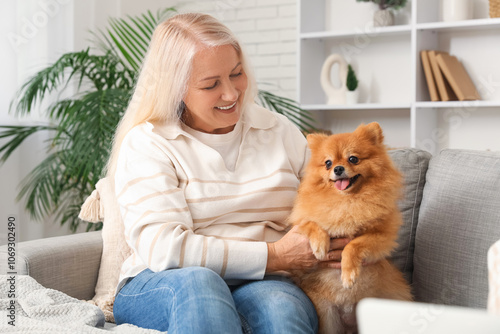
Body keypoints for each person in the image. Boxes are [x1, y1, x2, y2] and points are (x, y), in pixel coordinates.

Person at [107, 12, 349, 334]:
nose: (232, 94)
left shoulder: (277, 130)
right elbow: (165, 249)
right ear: (175, 88)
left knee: (282, 309)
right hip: (162, 282)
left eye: (236, 74)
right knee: (200, 284)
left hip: (263, 281)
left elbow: (332, 198)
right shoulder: (149, 143)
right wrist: (275, 254)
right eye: (211, 85)